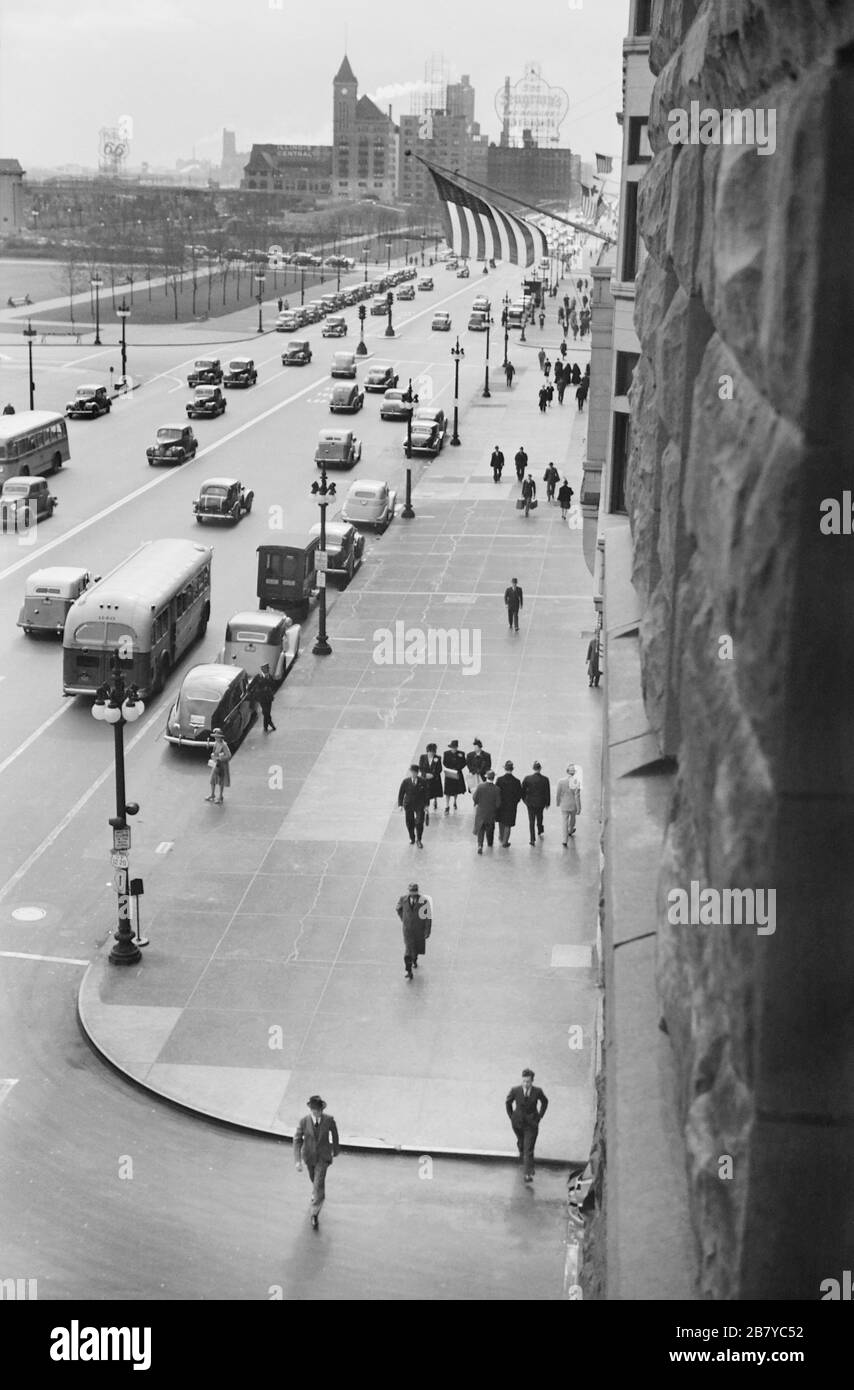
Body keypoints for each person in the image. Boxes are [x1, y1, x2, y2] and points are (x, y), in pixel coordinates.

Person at [294, 1095, 340, 1229]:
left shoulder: (329, 1120)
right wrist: (298, 1161)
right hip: (309, 1157)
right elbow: (297, 1140)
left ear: (322, 1110)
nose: (317, 1112)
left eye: (319, 1110)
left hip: (323, 1157)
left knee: (319, 1182)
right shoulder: (304, 1122)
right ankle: (315, 1193)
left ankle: (314, 1213)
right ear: (311, 1110)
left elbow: (335, 1134)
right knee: (313, 1178)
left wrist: (335, 1149)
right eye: (314, 1110)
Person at [505, 1069, 549, 1183]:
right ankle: (526, 1161)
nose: (526, 1084)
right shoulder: (515, 1090)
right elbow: (508, 1102)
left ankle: (527, 1174)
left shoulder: (538, 1091)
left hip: (531, 1124)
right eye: (524, 1081)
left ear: (532, 1081)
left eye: (528, 1081)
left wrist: (540, 1116)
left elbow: (545, 1102)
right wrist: (512, 1116)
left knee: (528, 1148)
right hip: (517, 1123)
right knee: (522, 1144)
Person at [396, 881, 431, 980]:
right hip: (408, 931)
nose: (413, 893)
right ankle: (409, 971)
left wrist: (427, 931)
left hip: (419, 931)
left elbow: (428, 917)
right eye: (411, 891)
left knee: (415, 950)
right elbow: (398, 908)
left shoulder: (423, 901)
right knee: (408, 952)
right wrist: (404, 919)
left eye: (414, 891)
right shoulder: (403, 899)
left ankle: (414, 960)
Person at [398, 764, 428, 847]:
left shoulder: (423, 781)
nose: (413, 774)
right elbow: (401, 793)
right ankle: (412, 838)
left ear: (417, 773)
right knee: (409, 822)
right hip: (409, 804)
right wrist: (400, 804)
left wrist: (426, 805)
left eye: (415, 772)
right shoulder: (406, 781)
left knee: (419, 822)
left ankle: (419, 840)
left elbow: (426, 794)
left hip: (419, 804)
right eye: (412, 772)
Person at [521, 761, 551, 844]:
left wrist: (525, 800)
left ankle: (532, 839)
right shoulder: (545, 779)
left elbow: (522, 790)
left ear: (533, 768)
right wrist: (547, 803)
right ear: (540, 769)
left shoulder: (527, 778)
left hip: (530, 802)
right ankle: (540, 830)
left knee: (531, 820)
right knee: (540, 816)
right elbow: (547, 792)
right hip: (541, 802)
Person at [472, 770, 501, 853]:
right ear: (493, 778)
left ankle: (480, 845)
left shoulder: (480, 786)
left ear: (486, 777)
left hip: (481, 812)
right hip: (491, 813)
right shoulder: (497, 789)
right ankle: (490, 843)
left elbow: (475, 797)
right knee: (490, 829)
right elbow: (498, 803)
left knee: (481, 829)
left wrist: (477, 803)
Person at [496, 760, 523, 847]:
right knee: (508, 823)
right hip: (511, 805)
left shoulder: (499, 780)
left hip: (501, 804)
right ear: (512, 769)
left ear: (505, 769)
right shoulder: (517, 781)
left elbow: (497, 792)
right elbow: (519, 794)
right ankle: (505, 841)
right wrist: (515, 802)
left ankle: (501, 836)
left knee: (501, 821)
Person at [556, 764, 582, 845]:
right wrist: (579, 807)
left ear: (567, 771)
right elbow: (577, 796)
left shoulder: (560, 781)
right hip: (573, 804)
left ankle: (564, 840)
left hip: (564, 804)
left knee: (564, 821)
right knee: (573, 818)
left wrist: (557, 802)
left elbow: (558, 793)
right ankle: (570, 830)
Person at [418, 742, 443, 820]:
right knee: (426, 794)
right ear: (427, 751)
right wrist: (425, 775)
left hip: (434, 778)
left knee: (434, 791)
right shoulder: (422, 757)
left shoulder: (437, 758)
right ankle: (426, 807)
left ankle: (435, 800)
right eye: (430, 752)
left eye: (433, 752)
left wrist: (433, 775)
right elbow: (421, 768)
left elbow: (439, 769)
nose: (431, 754)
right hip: (425, 779)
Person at [205, 729, 231, 804]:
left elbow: (228, 755)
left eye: (217, 737)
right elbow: (214, 752)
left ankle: (220, 796)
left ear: (220, 737)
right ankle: (212, 794)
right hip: (216, 764)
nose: (216, 738)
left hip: (222, 765)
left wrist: (220, 758)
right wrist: (213, 755)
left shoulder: (224, 745)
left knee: (221, 781)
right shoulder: (216, 743)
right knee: (212, 779)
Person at [442, 739, 467, 812]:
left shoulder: (461, 754)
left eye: (454, 747)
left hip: (457, 772)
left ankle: (455, 801)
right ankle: (447, 805)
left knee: (456, 789)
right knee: (448, 791)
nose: (453, 749)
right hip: (449, 773)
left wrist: (457, 768)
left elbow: (464, 763)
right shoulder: (446, 753)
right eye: (452, 747)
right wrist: (450, 768)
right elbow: (444, 762)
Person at [254, 663, 276, 732]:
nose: (268, 670)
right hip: (262, 698)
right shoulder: (258, 677)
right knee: (265, 712)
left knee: (267, 712)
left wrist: (269, 680)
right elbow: (252, 685)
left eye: (268, 669)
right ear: (263, 669)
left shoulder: (270, 676)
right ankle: (270, 723)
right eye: (267, 669)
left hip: (269, 698)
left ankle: (265, 727)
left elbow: (273, 685)